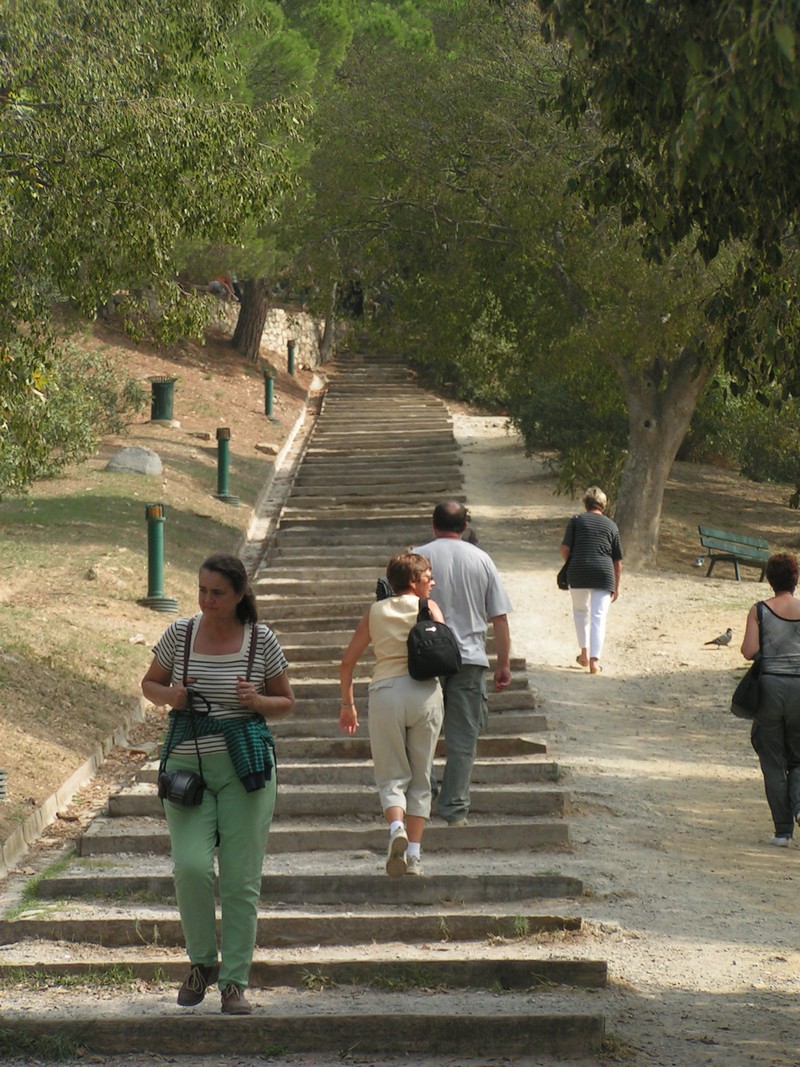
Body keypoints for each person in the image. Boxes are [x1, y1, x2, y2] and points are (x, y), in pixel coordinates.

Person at [141, 553, 294, 1014]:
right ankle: (201, 964)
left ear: (240, 594)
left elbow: (287, 701)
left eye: (218, 592)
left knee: (240, 879)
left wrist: (257, 699)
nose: (208, 600)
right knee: (190, 867)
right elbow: (149, 684)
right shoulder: (180, 634)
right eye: (202, 590)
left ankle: (235, 982)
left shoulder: (260, 640)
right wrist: (173, 695)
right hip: (187, 769)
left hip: (245, 769)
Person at [339, 553, 445, 876]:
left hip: (386, 692)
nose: (432, 582)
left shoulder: (375, 612)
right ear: (413, 582)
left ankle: (395, 827)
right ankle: (413, 856)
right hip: (425, 692)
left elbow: (347, 662)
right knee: (421, 774)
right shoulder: (429, 608)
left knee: (391, 773)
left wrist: (348, 703)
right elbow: (444, 648)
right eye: (428, 577)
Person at [414, 501, 512, 827]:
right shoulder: (482, 559)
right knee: (463, 738)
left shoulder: (417, 557)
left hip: (425, 657)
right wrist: (504, 663)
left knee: (419, 733)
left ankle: (423, 799)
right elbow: (499, 617)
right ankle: (454, 808)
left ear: (433, 524)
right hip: (469, 658)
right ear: (465, 526)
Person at [741, 551, 800, 847]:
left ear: (769, 580)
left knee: (773, 759)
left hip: (770, 688)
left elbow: (749, 650)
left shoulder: (759, 610)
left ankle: (782, 830)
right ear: (796, 579)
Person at [560, 486, 623, 674]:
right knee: (599, 616)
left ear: (585, 503)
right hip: (604, 574)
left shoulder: (576, 521)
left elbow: (565, 549)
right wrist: (616, 586)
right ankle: (595, 662)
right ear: (603, 505)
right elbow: (617, 561)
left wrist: (571, 562)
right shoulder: (611, 526)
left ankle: (584, 653)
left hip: (578, 571)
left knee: (580, 611)